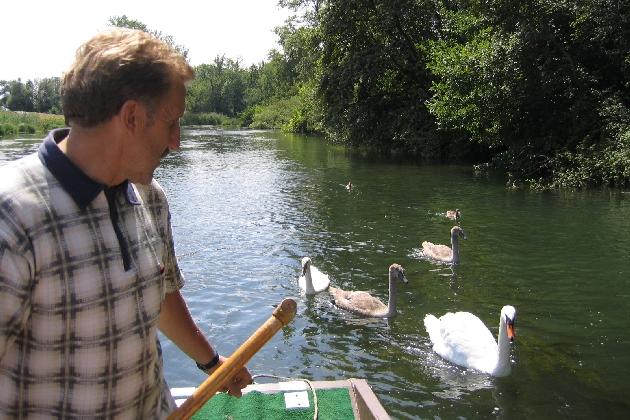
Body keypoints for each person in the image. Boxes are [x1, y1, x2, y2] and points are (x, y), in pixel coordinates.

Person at [0, 28, 251, 418]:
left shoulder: (150, 198)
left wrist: (212, 362)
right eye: (172, 122)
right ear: (131, 116)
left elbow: (157, 291)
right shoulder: (13, 216)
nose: (178, 141)